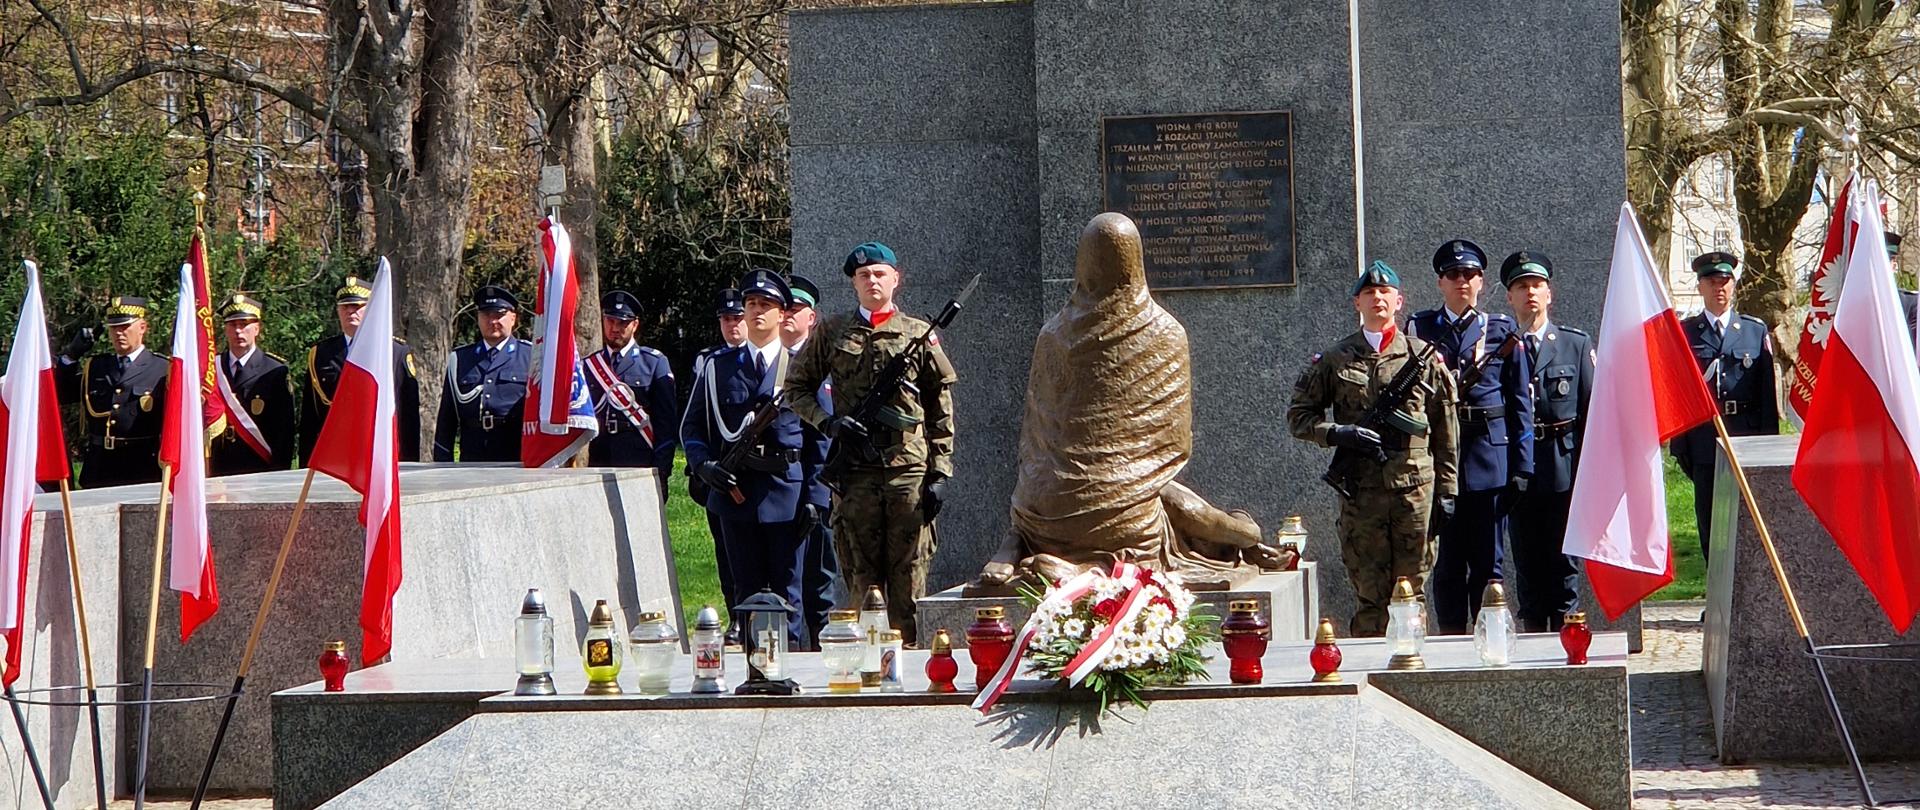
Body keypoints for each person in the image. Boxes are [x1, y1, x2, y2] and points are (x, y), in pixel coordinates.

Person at [785, 242, 957, 642]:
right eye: (864, 276)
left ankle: (908, 665)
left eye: (880, 274)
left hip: (907, 471)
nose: (872, 281)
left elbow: (940, 407)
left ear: (896, 279)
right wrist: (829, 424)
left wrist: (940, 471)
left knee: (909, 573)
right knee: (860, 575)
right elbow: (796, 388)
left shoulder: (918, 334)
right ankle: (865, 666)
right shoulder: (832, 331)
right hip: (855, 471)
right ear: (853, 283)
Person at [1288, 262, 1457, 637]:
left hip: (1414, 493)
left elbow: (1446, 432)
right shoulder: (1336, 358)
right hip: (1361, 493)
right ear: (1356, 303)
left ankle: (1412, 667)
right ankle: (1367, 673)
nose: (1377, 299)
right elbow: (1299, 418)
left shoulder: (1423, 358)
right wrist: (1339, 433)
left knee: (1411, 592)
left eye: (1385, 293)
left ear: (1399, 301)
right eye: (1369, 293)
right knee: (1368, 594)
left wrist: (1448, 491)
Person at [1409, 239, 1534, 635]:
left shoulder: (1499, 330)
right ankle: (1449, 639)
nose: (1462, 281)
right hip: (1438, 461)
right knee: (1446, 564)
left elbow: (1519, 403)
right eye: (1453, 275)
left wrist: (1523, 464)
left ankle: (1490, 636)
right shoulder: (1421, 328)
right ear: (1440, 282)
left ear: (1481, 282)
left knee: (1488, 562)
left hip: (1488, 459)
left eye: (1470, 275)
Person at [683, 270, 813, 650]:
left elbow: (818, 441)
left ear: (782, 313)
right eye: (751, 304)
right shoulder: (718, 367)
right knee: (745, 587)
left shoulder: (799, 367)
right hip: (734, 493)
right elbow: (692, 427)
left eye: (766, 305)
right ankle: (756, 667)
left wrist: (815, 499)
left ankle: (788, 664)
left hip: (786, 492)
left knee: (789, 587)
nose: (757, 312)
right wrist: (703, 465)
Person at [1499, 252, 1593, 632]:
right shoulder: (1500, 348)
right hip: (1517, 470)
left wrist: (1589, 473)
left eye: (1537, 285)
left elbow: (1590, 411)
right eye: (1521, 287)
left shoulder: (1574, 344)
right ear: (1509, 297)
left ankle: (1568, 640)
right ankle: (1536, 639)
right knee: (1526, 563)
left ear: (1550, 293)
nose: (1530, 293)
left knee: (1564, 565)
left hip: (1563, 467)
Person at [1671, 251, 1778, 561]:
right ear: (1700, 287)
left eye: (1725, 281)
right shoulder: (1686, 333)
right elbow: (1678, 393)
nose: (1719, 287)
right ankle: (1717, 604)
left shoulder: (1753, 331)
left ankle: (1745, 603)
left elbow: (1766, 395)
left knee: (1748, 524)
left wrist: (1766, 445)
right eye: (1711, 281)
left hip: (1745, 437)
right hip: (1704, 441)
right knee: (1710, 523)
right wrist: (1681, 446)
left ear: (1734, 285)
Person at [301, 277, 422, 463]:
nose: (351, 312)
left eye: (357, 306)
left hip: (380, 457)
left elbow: (408, 417)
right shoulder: (321, 355)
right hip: (335, 459)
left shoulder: (395, 353)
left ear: (371, 309)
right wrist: (306, 465)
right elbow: (310, 419)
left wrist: (408, 464)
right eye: (345, 307)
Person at [55, 296, 169, 488]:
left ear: (142, 327)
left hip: (142, 468)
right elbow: (62, 395)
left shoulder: (162, 368)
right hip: (100, 468)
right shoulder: (96, 367)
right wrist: (70, 356)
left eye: (124, 327)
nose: (119, 333)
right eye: (114, 328)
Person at [783, 274, 841, 644]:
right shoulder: (768, 360)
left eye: (795, 309)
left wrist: (817, 496)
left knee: (818, 581)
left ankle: (820, 653)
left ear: (812, 318)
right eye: (782, 308)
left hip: (814, 492)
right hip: (773, 492)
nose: (787, 315)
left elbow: (823, 436)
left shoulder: (822, 365)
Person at [687, 287, 747, 635]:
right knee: (725, 549)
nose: (732, 325)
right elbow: (696, 418)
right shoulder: (707, 361)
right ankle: (735, 616)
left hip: (751, 470)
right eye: (726, 319)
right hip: (717, 471)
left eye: (737, 318)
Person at [583, 290, 678, 493]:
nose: (615, 328)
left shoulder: (653, 363)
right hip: (600, 459)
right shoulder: (590, 365)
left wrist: (661, 471)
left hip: (639, 460)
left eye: (622, 323)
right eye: (610, 321)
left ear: (635, 324)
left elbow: (666, 424)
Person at [434, 286, 531, 463]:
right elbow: (447, 419)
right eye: (486, 315)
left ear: (513, 318)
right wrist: (443, 462)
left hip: (516, 456)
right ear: (478, 318)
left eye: (499, 315)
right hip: (472, 456)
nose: (492, 321)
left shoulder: (531, 357)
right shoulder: (460, 358)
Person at [209, 294, 296, 475]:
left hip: (259, 465)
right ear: (225, 329)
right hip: (218, 465)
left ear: (256, 328)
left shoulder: (275, 371)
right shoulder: (212, 369)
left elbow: (284, 432)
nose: (238, 331)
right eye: (233, 325)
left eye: (244, 325)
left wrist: (279, 474)